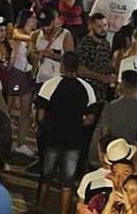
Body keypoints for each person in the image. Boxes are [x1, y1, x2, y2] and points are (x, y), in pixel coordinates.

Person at [36, 51, 98, 214]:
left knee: (46, 177)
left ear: (62, 66)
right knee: (68, 181)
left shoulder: (50, 85)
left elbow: (40, 115)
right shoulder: (87, 88)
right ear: (77, 67)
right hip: (74, 141)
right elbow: (90, 117)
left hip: (51, 139)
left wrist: (47, 128)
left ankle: (40, 208)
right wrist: (77, 126)